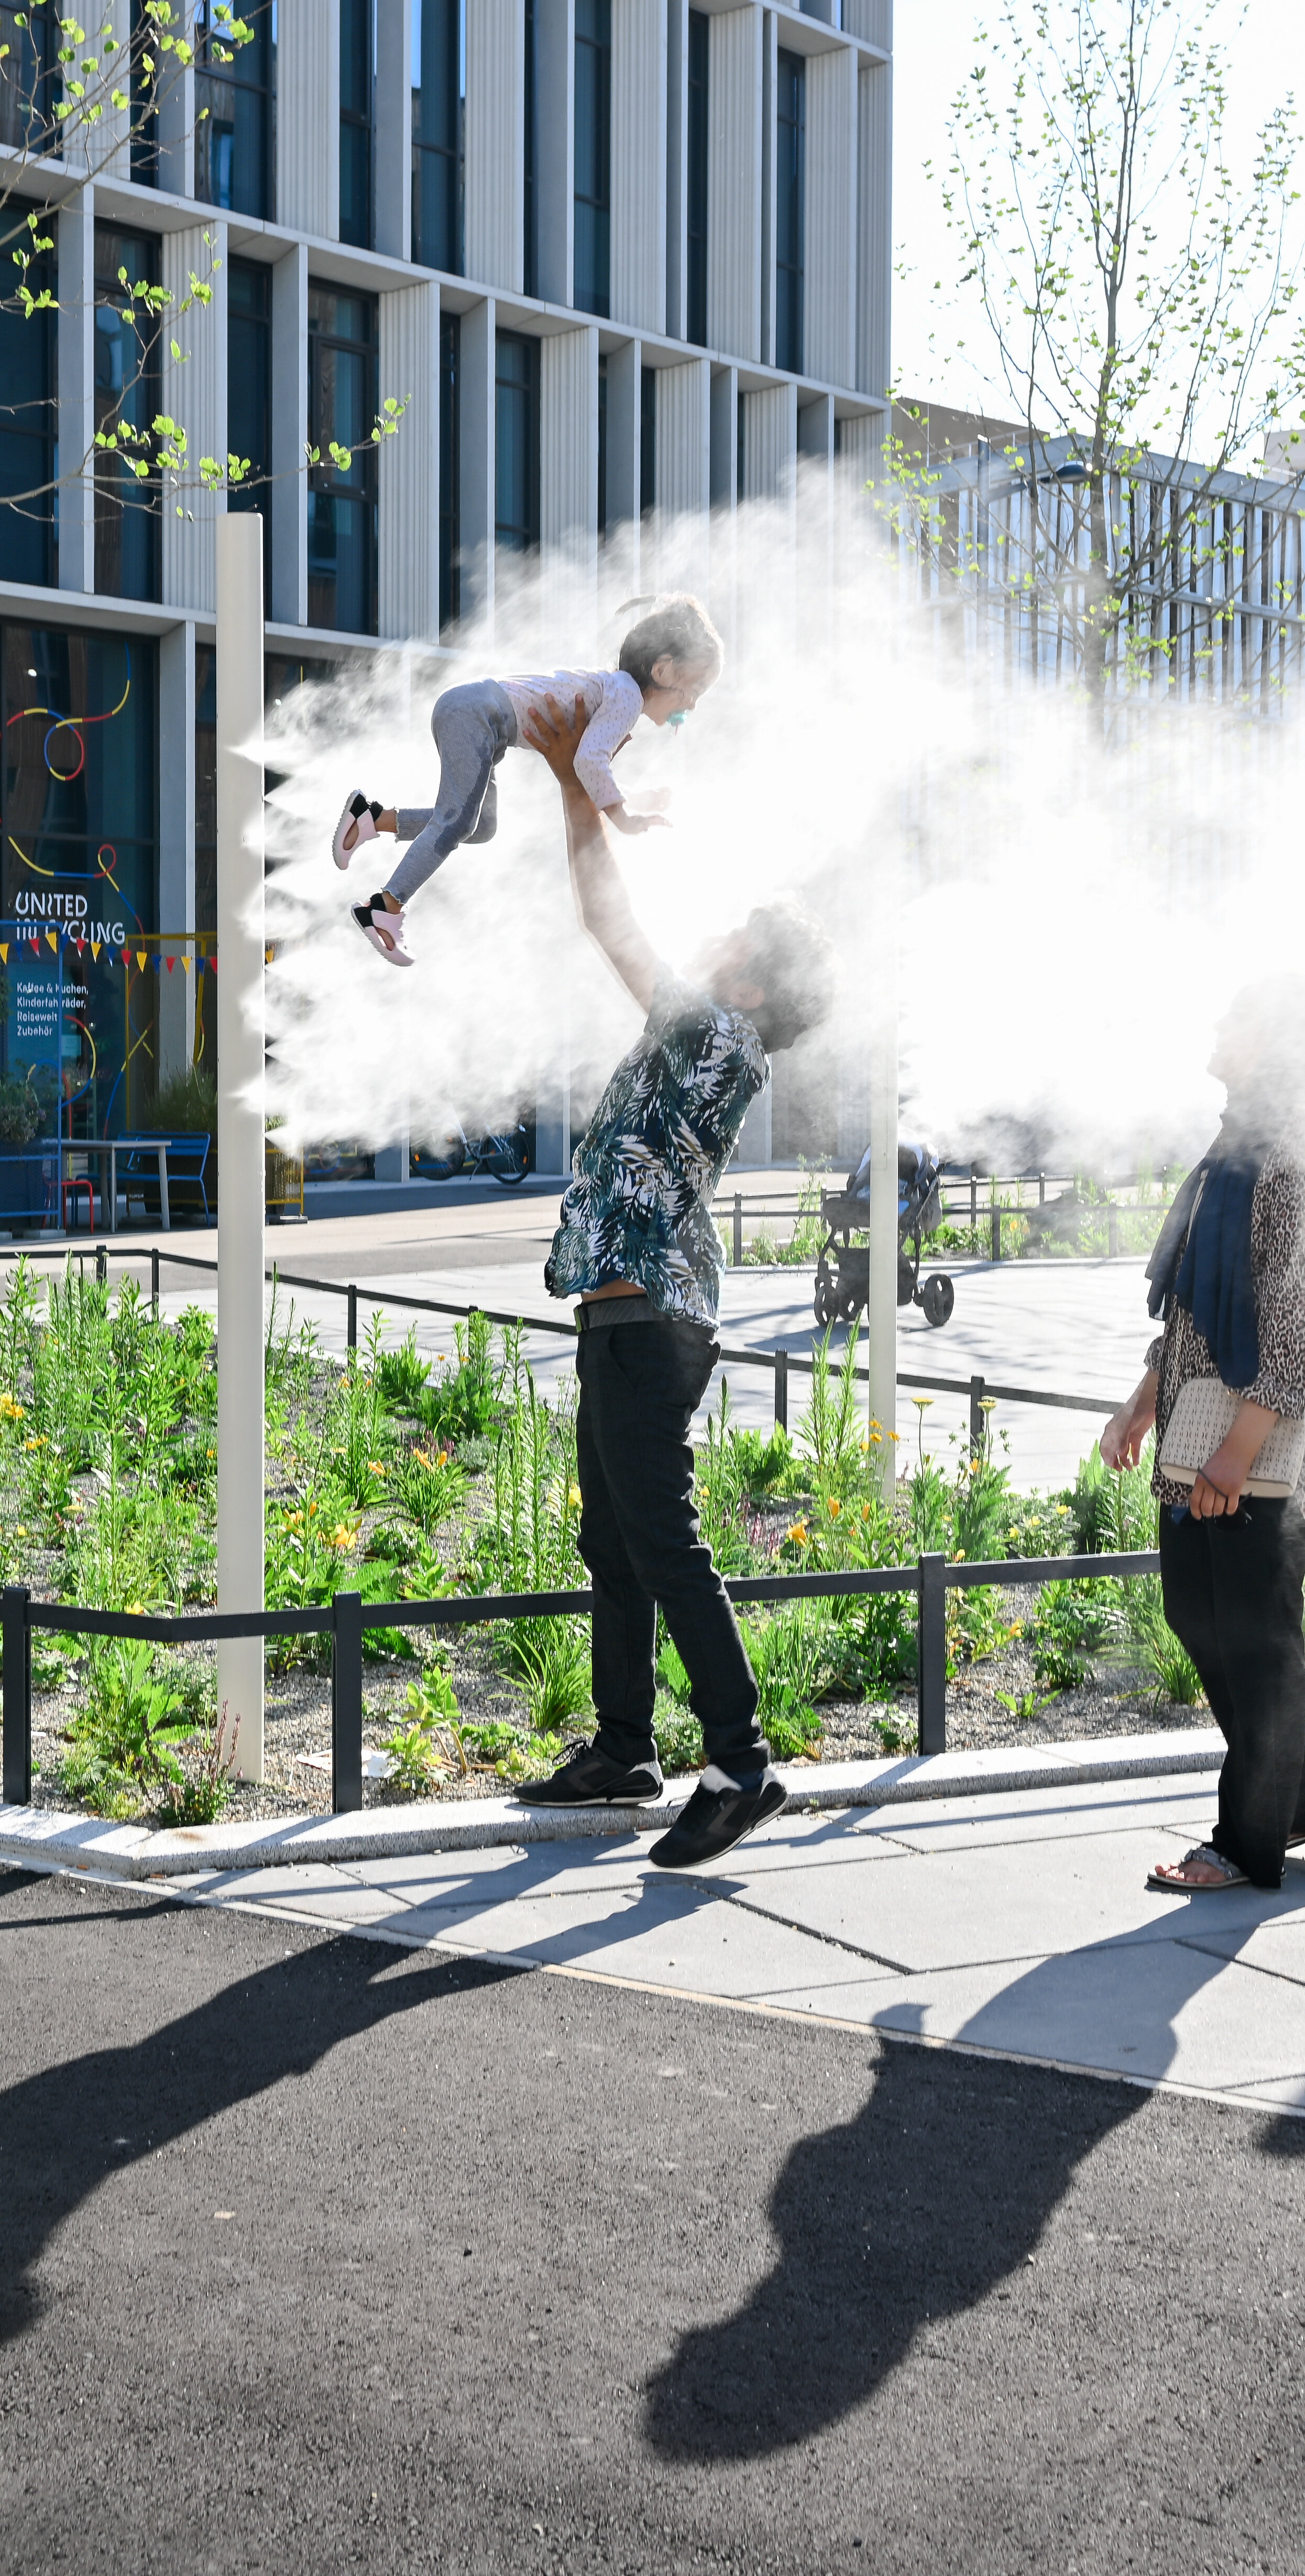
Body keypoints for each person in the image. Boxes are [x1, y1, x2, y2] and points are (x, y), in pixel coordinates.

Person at [505, 690, 834, 1869]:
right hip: (624, 1312)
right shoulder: (700, 1029)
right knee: (615, 1540)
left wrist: (565, 781)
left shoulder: (712, 1032)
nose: (719, 940)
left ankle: (741, 1761)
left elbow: (613, 924)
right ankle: (625, 1746)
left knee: (664, 1538)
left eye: (741, 940)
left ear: (753, 982)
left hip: (654, 1319)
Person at [1099, 977, 1305, 1895]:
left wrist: (1240, 1445)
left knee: (1259, 1639)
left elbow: (1302, 1322)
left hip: (1268, 1438)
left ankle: (1244, 1838)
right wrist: (1147, 1394)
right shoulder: (1236, 1150)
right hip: (1199, 1418)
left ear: (1279, 1040)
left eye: (1239, 1016)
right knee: (1196, 1612)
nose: (1220, 1025)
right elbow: (1195, 1293)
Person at [331, 594, 722, 967]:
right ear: (663, 671)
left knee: (481, 826)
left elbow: (589, 769)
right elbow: (590, 761)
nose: (692, 705)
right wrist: (623, 818)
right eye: (696, 690)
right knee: (457, 822)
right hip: (478, 717)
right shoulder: (627, 696)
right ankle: (384, 908)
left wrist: (634, 800)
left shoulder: (618, 692)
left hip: (479, 718)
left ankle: (371, 818)